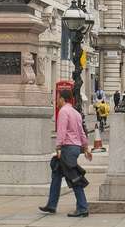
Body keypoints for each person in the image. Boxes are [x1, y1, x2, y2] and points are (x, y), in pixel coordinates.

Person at [39, 89, 92, 217]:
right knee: (56, 174)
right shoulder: (76, 113)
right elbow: (81, 132)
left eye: (57, 98)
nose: (56, 100)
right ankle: (51, 205)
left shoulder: (63, 112)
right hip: (75, 148)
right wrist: (85, 148)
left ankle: (83, 207)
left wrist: (58, 147)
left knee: (73, 178)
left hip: (67, 147)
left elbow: (61, 131)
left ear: (62, 99)